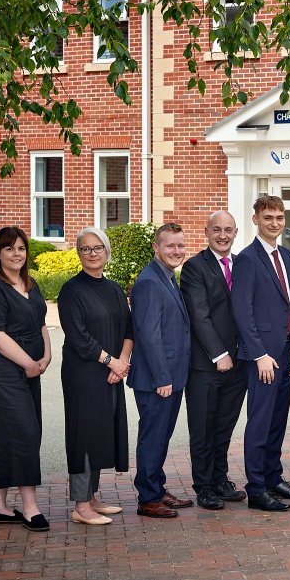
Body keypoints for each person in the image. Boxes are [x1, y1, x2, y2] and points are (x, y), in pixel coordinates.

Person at [232, 195, 290, 511]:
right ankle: (257, 488)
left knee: (278, 420)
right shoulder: (248, 259)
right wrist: (259, 354)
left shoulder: (287, 256)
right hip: (264, 357)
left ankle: (274, 478)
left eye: (279, 217)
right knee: (260, 421)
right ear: (256, 220)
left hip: (287, 351)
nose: (274, 223)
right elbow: (242, 311)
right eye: (268, 218)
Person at [0, 226, 51, 531]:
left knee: (14, 433)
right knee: (24, 433)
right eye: (9, 249)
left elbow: (41, 323)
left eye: (21, 248)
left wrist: (45, 356)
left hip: (31, 366)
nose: (16, 254)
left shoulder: (29, 283)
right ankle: (30, 507)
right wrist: (28, 363)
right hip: (0, 371)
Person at [57, 227, 133, 526]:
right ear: (79, 253)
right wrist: (110, 361)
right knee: (83, 435)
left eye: (97, 247)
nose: (92, 253)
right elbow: (78, 337)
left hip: (112, 371)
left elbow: (129, 329)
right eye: (86, 249)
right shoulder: (71, 291)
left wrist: (122, 361)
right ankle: (80, 504)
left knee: (103, 431)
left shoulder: (114, 288)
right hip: (83, 374)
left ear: (106, 250)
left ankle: (92, 496)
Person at [180, 211, 250, 510]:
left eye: (228, 230)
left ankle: (220, 479)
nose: (223, 235)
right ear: (207, 232)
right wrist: (219, 354)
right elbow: (200, 315)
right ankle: (204, 486)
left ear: (236, 232)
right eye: (217, 230)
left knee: (224, 425)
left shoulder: (243, 265)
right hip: (206, 365)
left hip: (239, 363)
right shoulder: (195, 267)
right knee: (203, 427)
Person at [126, 222, 193, 518]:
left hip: (171, 376)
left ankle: (156, 487)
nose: (176, 251)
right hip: (158, 379)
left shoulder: (166, 276)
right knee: (153, 436)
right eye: (170, 246)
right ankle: (148, 498)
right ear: (157, 247)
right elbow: (148, 335)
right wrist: (162, 378)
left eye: (180, 245)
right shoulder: (149, 282)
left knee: (161, 436)